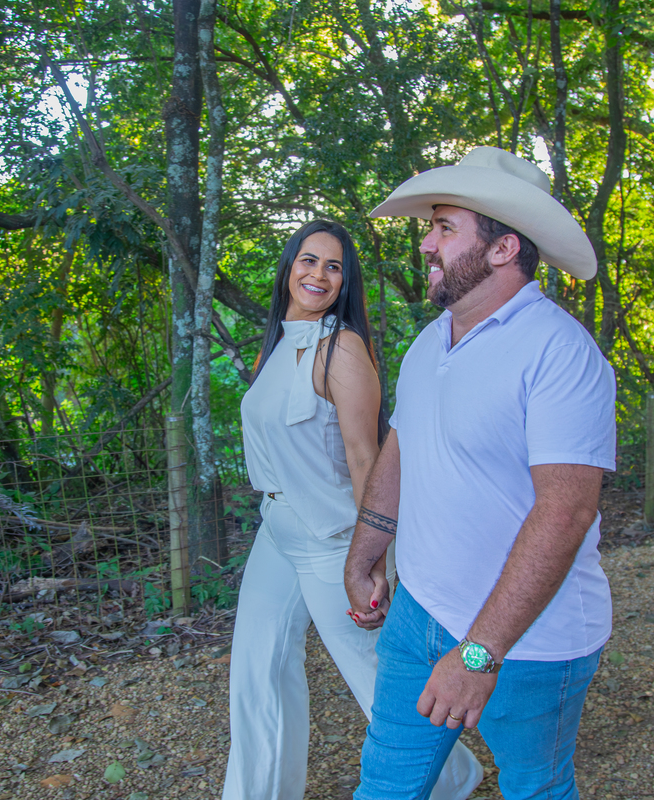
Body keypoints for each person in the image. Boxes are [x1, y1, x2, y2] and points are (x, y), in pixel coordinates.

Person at [344, 147, 617, 800]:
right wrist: (364, 555)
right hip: (417, 612)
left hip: (530, 645)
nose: (426, 245)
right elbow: (401, 452)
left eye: (444, 228)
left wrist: (479, 654)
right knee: (384, 786)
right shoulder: (429, 342)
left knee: (536, 788)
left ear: (502, 249)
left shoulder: (560, 352)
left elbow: (566, 512)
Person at [222, 219, 483, 800]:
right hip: (277, 530)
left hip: (333, 537)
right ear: (289, 267)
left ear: (345, 282)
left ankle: (450, 777)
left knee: (374, 677)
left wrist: (376, 562)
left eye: (334, 266)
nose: (318, 274)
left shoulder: (341, 348)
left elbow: (369, 459)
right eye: (308, 260)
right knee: (258, 670)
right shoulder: (278, 342)